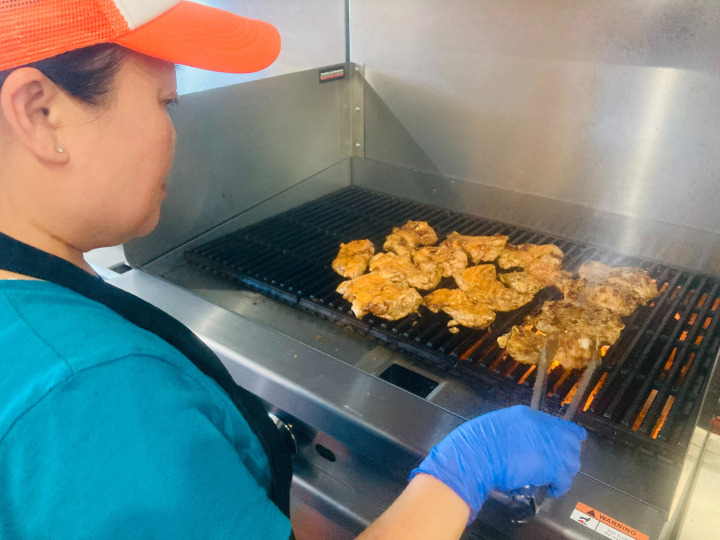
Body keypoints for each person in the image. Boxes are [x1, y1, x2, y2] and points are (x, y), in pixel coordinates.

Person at [0, 1, 587, 538]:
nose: (174, 133)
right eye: (164, 102)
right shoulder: (89, 390)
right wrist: (461, 473)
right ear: (40, 113)